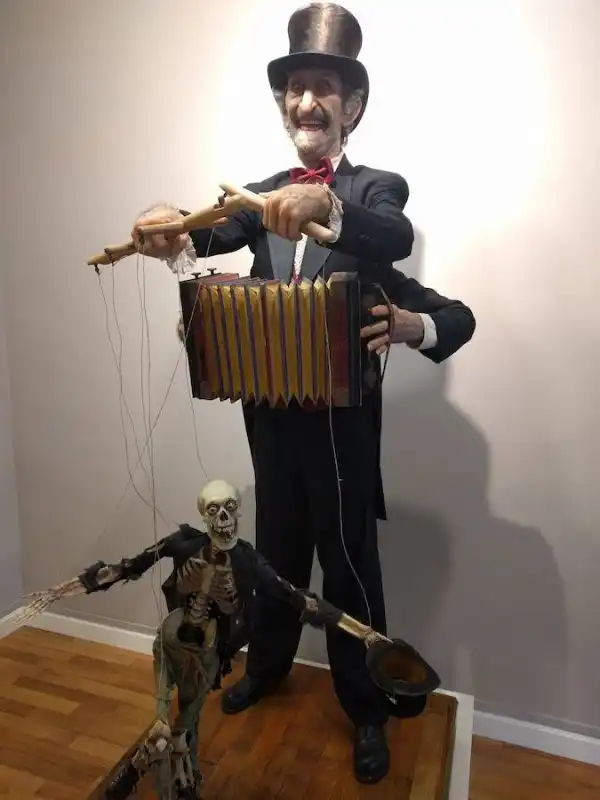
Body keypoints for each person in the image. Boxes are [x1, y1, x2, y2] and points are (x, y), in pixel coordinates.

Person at [131, 2, 476, 785]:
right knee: (276, 552)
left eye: (324, 87)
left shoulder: (374, 189)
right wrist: (167, 228)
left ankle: (367, 707)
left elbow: (393, 236)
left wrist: (406, 316)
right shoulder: (261, 196)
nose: (307, 101)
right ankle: (268, 665)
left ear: (352, 106)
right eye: (295, 88)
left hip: (342, 436)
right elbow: (202, 233)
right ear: (284, 103)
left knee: (348, 567)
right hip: (271, 422)